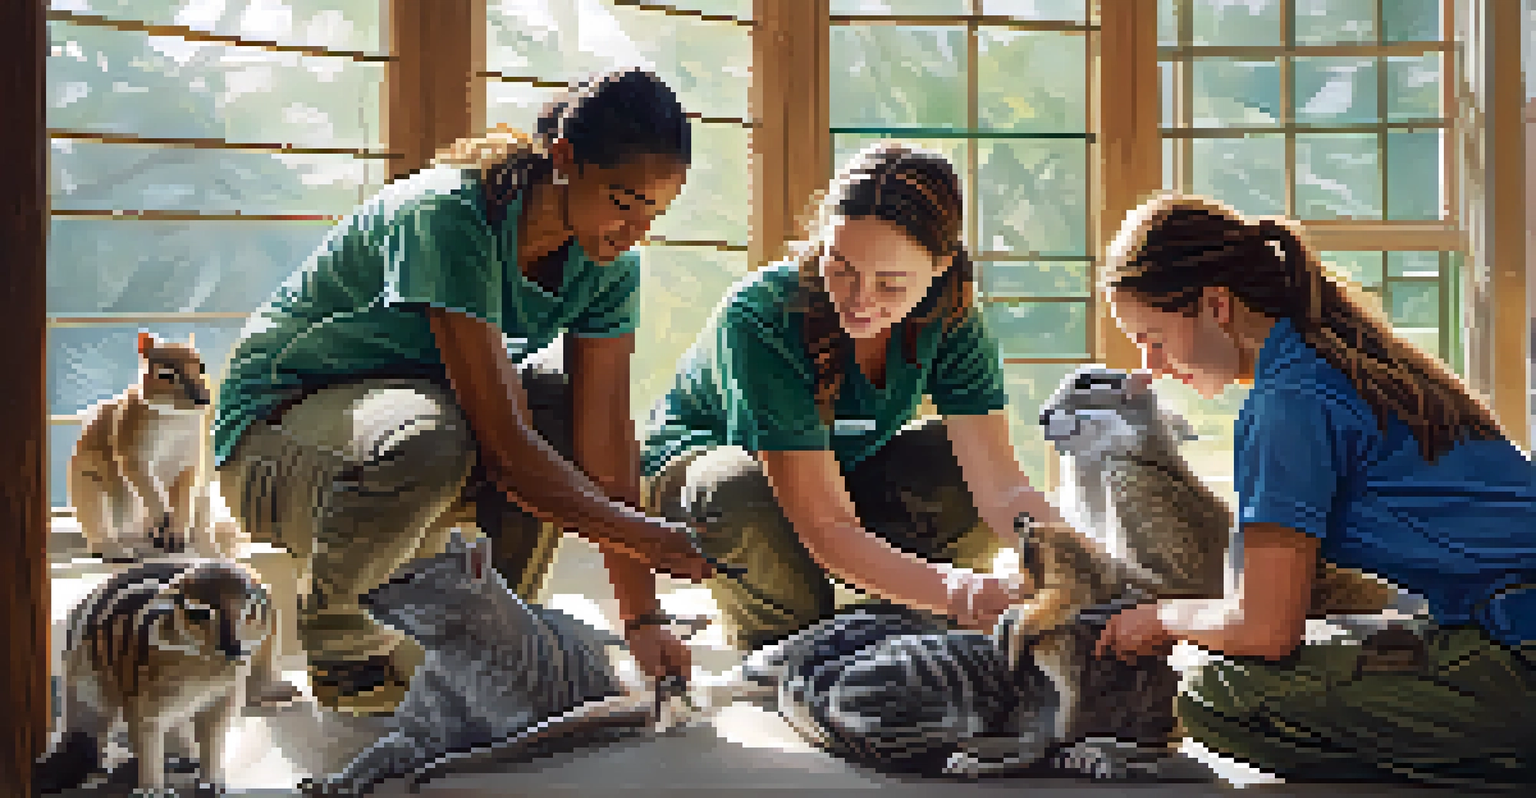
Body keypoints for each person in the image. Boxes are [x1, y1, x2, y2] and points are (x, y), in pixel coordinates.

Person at [213, 68, 718, 717]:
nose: (636, 231)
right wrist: (647, 537)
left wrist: (643, 616)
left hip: (405, 420)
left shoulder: (607, 267)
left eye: (655, 211)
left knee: (557, 415)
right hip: (275, 441)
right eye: (624, 201)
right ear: (564, 158)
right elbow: (505, 451)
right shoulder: (449, 215)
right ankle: (347, 651)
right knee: (432, 436)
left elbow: (605, 449)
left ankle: (488, 641)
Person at [1094, 193, 1536, 787]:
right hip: (1503, 624)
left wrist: (1162, 617)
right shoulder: (1342, 360)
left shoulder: (1287, 404)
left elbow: (1263, 632)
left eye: (1153, 337)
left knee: (1215, 692)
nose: (1150, 366)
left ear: (1216, 305)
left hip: (1520, 650)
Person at [641, 142, 1061, 652]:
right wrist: (959, 591)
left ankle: (894, 617)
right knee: (791, 602)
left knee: (949, 462)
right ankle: (783, 630)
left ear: (941, 266)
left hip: (839, 475)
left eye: (890, 283)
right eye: (841, 268)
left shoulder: (951, 318)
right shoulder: (761, 315)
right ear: (822, 241)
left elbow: (1001, 488)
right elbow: (825, 525)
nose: (860, 300)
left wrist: (1072, 560)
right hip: (715, 490)